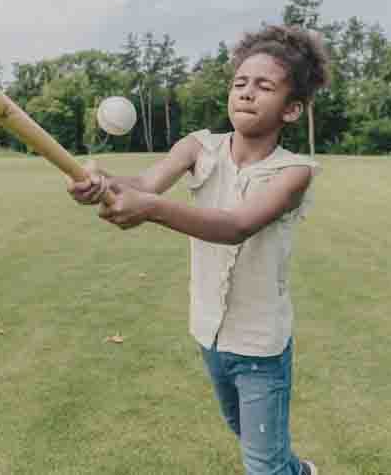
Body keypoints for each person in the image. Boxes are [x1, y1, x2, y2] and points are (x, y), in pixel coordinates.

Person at [68, 24, 331, 475]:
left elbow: (235, 226)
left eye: (264, 86)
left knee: (262, 465)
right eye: (240, 83)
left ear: (292, 110)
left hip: (259, 345)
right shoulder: (198, 146)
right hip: (209, 331)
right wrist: (102, 182)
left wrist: (150, 208)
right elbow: (145, 183)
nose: (246, 93)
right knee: (250, 437)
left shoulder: (294, 172)